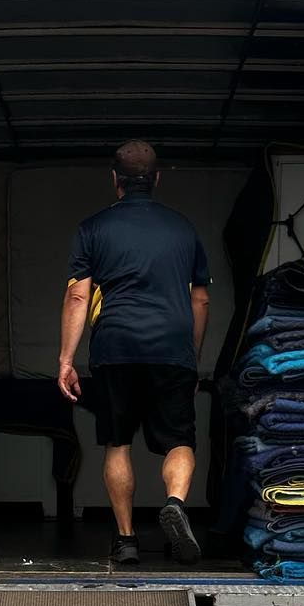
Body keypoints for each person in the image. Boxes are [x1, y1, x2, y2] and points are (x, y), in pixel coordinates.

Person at [58, 140, 210, 566]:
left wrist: (66, 360)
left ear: (115, 180)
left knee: (118, 442)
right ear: (156, 179)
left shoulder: (93, 228)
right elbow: (201, 300)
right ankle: (175, 504)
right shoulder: (184, 229)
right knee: (179, 440)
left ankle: (126, 540)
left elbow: (77, 297)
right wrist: (192, 356)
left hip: (116, 347)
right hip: (172, 346)